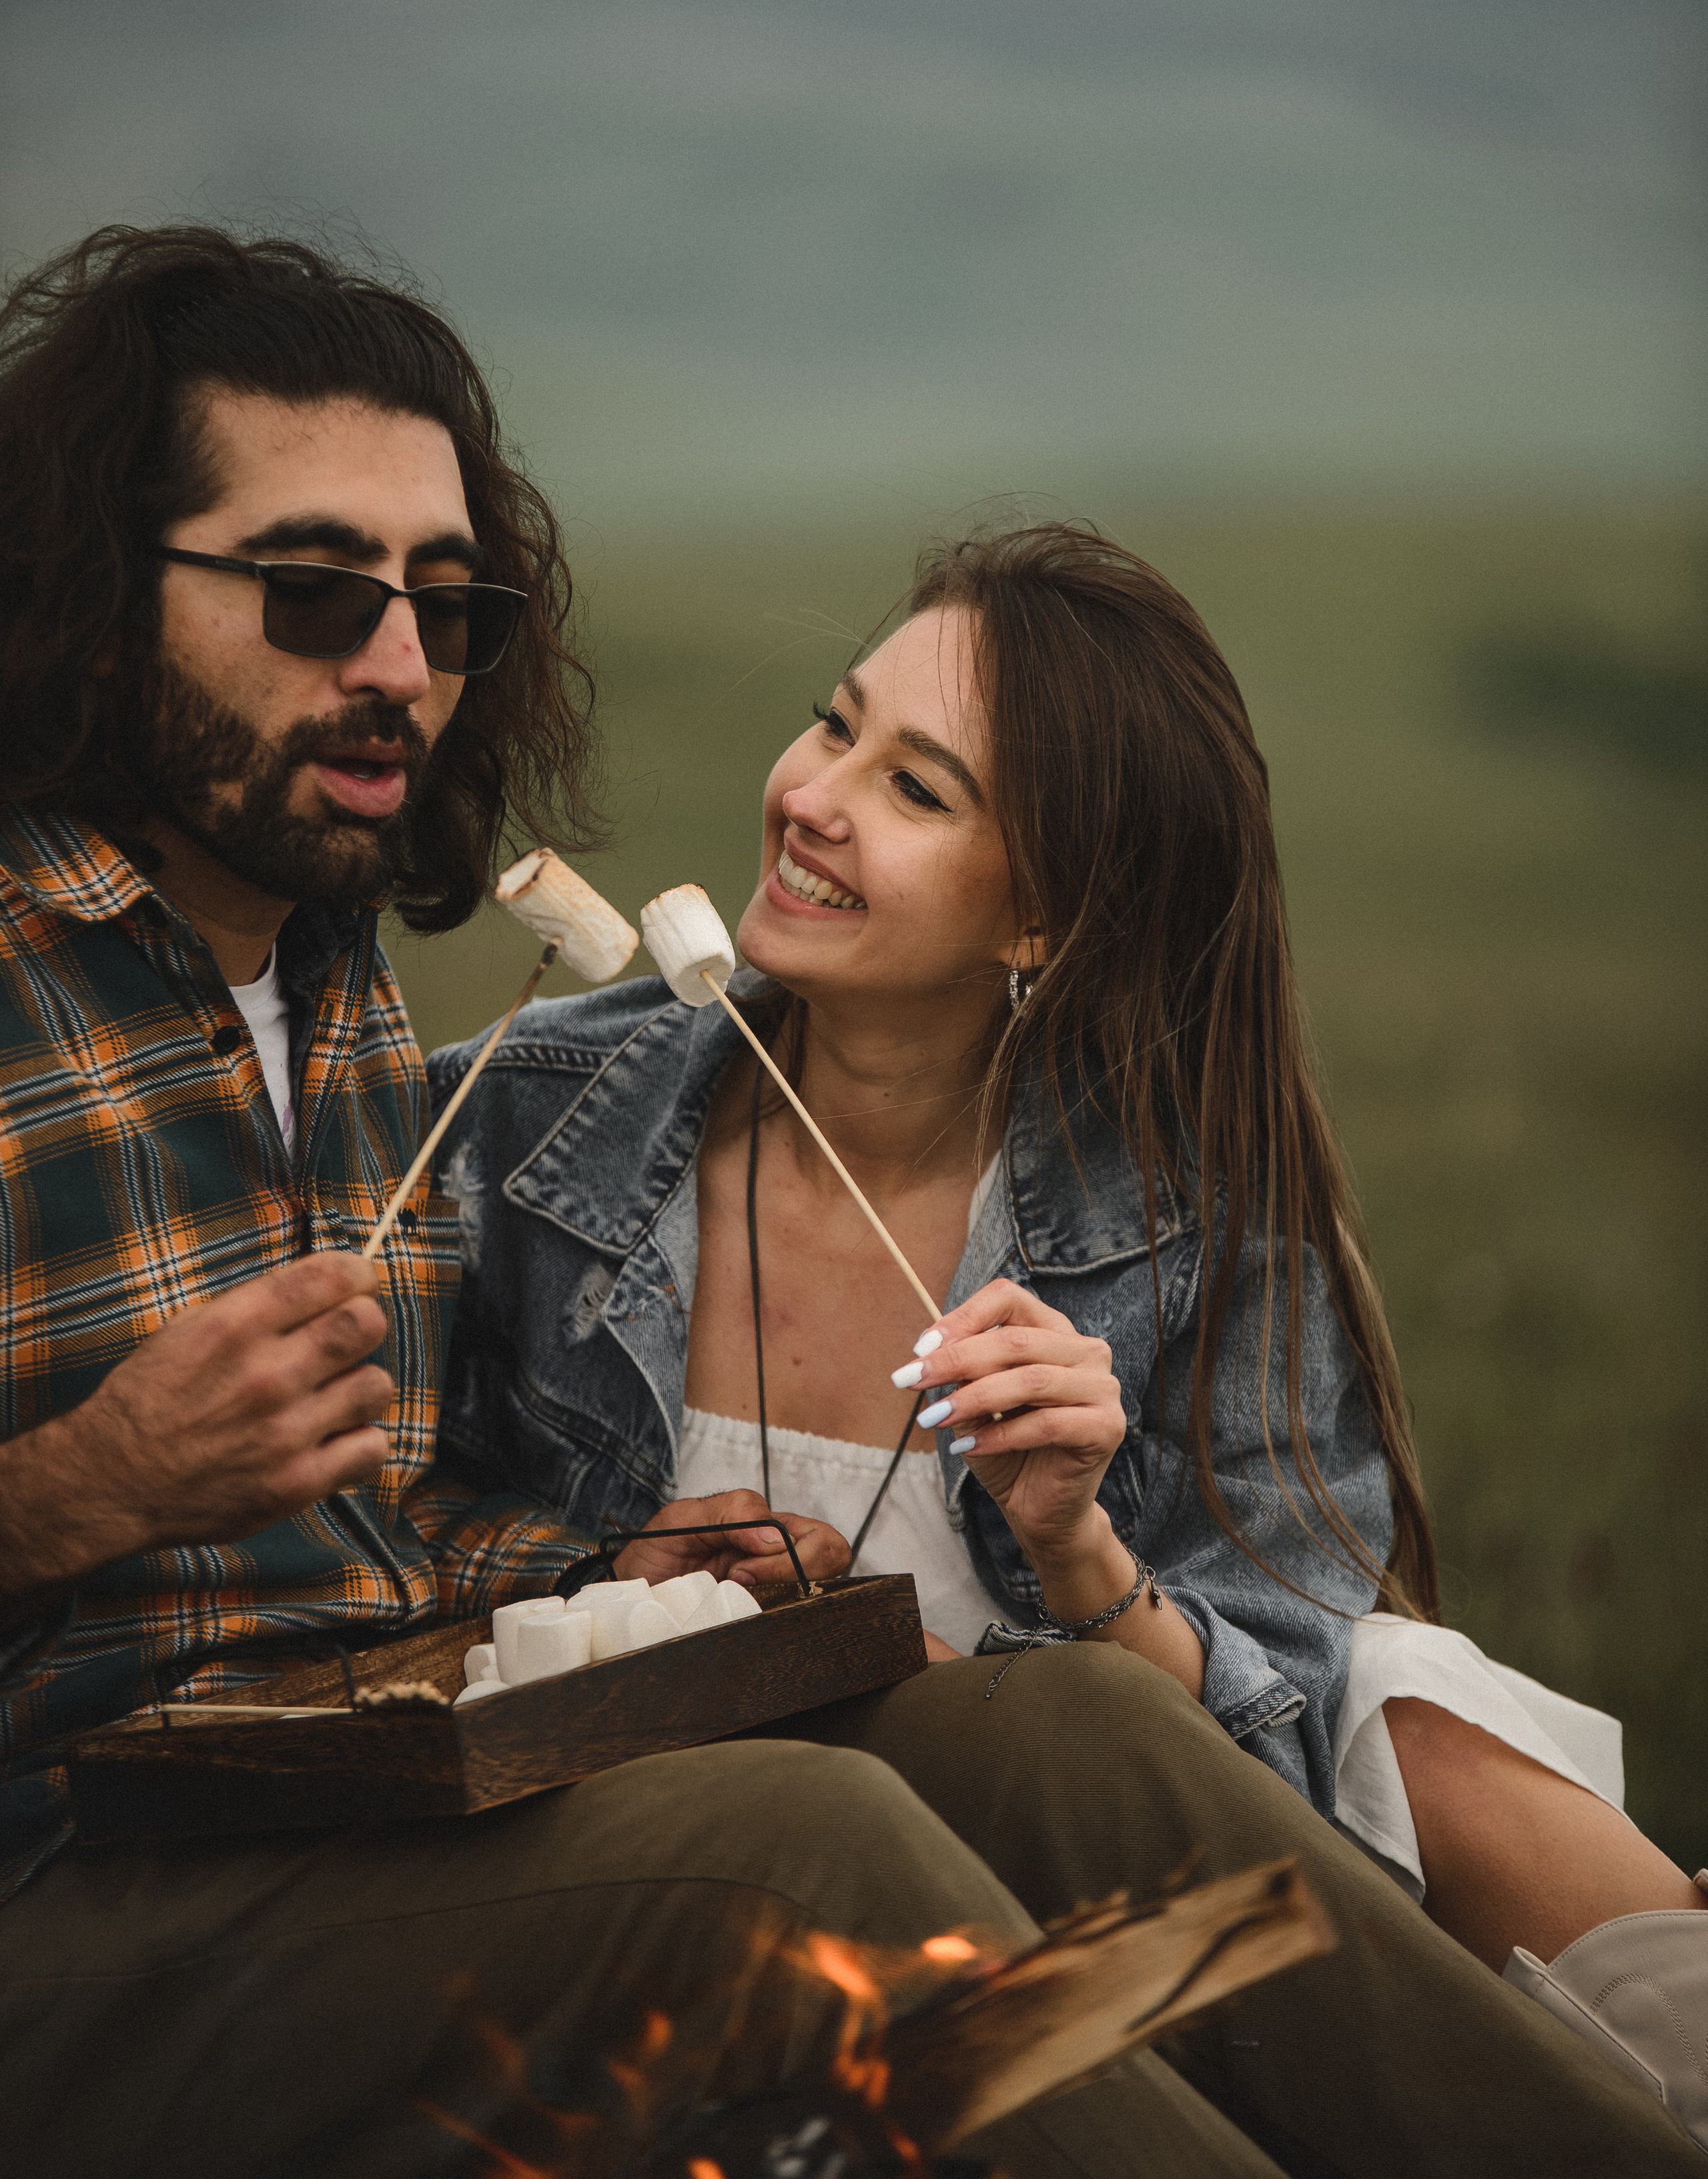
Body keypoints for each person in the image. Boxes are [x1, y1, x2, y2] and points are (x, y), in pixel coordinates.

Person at [0, 232, 1298, 2179]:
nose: (394, 671)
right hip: (77, 1886)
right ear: (101, 593)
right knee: (803, 1844)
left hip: (370, 1788)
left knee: (1055, 1738)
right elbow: (151, 1530)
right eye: (309, 588)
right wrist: (88, 1482)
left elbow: (379, 1544)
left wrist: (601, 1571)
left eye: (442, 607)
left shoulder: (335, 969)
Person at [432, 522, 1706, 2166]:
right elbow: (376, 1551)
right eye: (835, 724)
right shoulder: (531, 1116)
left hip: (1086, 1904)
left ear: (1040, 919)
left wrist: (1076, 1547)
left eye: (917, 789)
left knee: (1402, 1702)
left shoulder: (1201, 1227)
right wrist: (607, 1573)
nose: (813, 798)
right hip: (704, 1893)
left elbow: (1262, 1778)